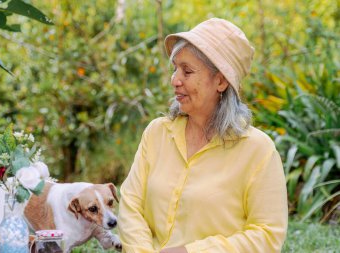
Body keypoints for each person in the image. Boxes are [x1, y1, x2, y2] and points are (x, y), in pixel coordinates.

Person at [118, 18, 288, 253]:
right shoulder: (157, 133)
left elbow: (267, 235)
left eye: (187, 71)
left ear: (220, 81)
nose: (174, 80)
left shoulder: (258, 150)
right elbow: (131, 205)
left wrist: (189, 252)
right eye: (175, 68)